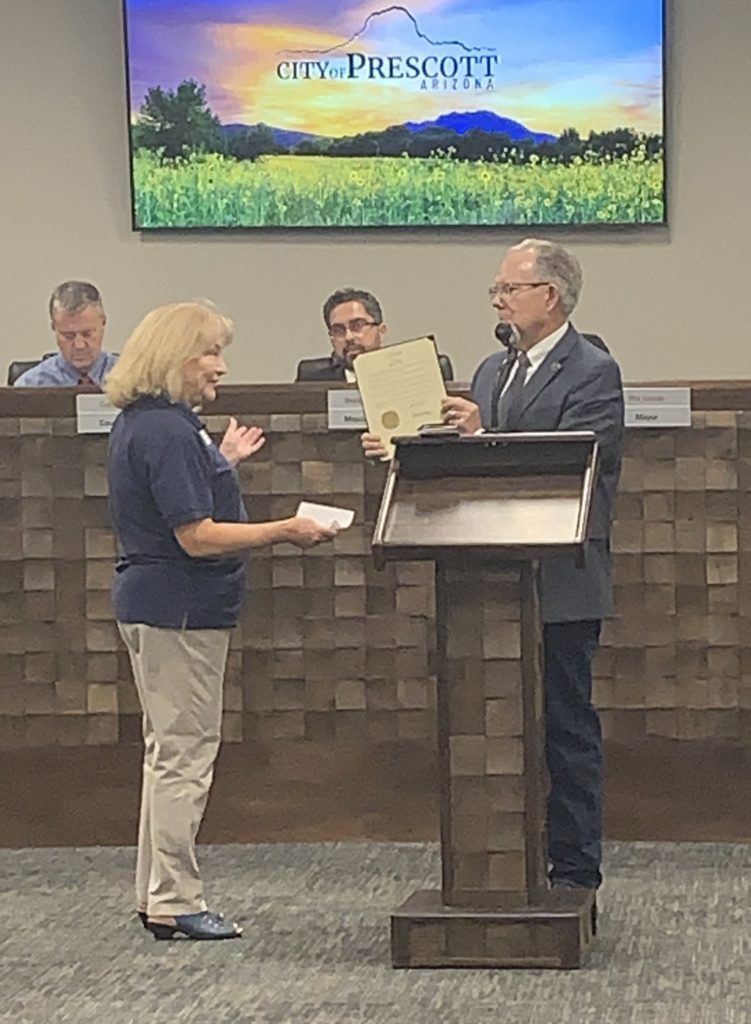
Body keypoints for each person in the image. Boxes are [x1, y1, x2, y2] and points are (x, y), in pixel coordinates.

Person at [362, 239, 624, 898]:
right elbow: (475, 473)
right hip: (486, 583)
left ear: (550, 296)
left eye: (508, 288)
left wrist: (483, 438)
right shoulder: (487, 371)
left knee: (563, 727)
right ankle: (501, 865)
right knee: (492, 726)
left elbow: (572, 465)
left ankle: (572, 869)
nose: (498, 299)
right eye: (496, 291)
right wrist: (410, 451)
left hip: (558, 583)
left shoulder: (591, 370)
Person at [105, 301, 336, 941]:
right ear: (178, 357)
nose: (220, 367)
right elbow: (196, 536)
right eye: (210, 353)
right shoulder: (171, 432)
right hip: (180, 610)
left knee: (166, 753)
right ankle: (177, 900)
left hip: (155, 606)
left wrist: (223, 463)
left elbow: (177, 499)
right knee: (184, 756)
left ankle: (158, 894)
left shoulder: (147, 423)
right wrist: (285, 529)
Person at [295, 287, 454, 382]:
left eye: (357, 326)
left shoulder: (418, 371)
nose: (349, 337)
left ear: (381, 330)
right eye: (338, 330)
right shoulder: (313, 378)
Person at [14, 280, 118, 387]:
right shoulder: (30, 386)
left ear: (103, 323)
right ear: (54, 328)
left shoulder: (131, 379)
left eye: (87, 334)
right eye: (68, 336)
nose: (79, 345)